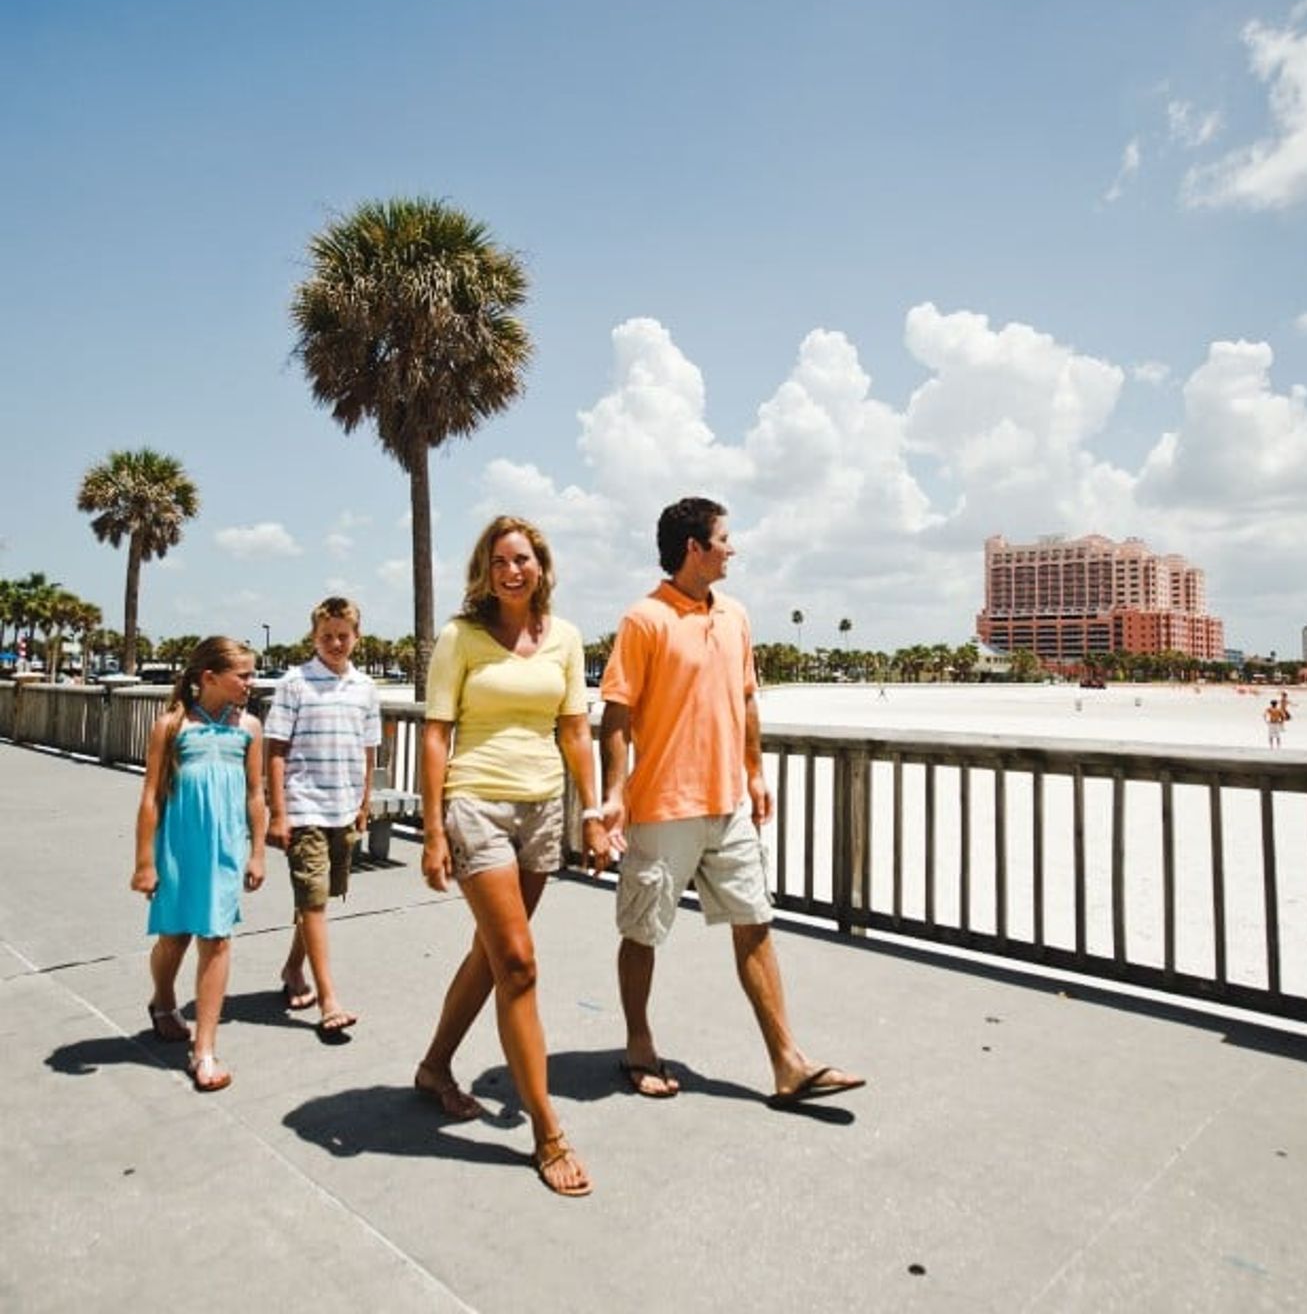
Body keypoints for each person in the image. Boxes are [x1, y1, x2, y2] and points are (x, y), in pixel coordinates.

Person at [599, 496, 864, 1106]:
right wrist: (614, 793)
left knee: (756, 925)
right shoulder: (644, 619)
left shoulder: (737, 616)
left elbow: (746, 699)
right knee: (643, 933)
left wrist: (755, 774)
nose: (732, 548)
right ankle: (639, 1046)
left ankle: (788, 1063)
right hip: (664, 806)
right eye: (724, 538)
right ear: (694, 548)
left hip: (728, 805)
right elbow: (617, 712)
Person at [416, 515, 615, 1197]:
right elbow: (437, 734)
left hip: (542, 811)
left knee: (494, 955)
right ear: (484, 569)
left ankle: (435, 1067)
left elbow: (576, 730)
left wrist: (591, 812)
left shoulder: (563, 638)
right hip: (476, 805)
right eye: (500, 560)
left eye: (523, 559)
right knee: (521, 964)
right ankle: (548, 1132)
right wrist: (434, 827)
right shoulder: (460, 638)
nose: (512, 570)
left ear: (541, 566)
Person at [131, 637, 267, 1092]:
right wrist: (144, 861)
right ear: (209, 677)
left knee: (217, 939)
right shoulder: (172, 727)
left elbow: (255, 794)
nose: (251, 683)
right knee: (174, 937)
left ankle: (204, 1048)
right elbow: (151, 796)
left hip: (225, 849)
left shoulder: (249, 727)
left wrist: (258, 851)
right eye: (243, 675)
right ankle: (163, 999)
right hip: (178, 848)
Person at [264, 596, 382, 1040]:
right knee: (313, 897)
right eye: (326, 636)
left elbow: (369, 750)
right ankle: (329, 998)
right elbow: (275, 750)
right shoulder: (294, 683)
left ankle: (294, 966)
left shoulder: (365, 688)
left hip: (345, 806)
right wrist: (279, 812)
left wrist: (364, 802)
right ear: (313, 637)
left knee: (321, 895)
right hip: (304, 805)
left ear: (356, 637)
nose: (335, 643)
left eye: (343, 636)